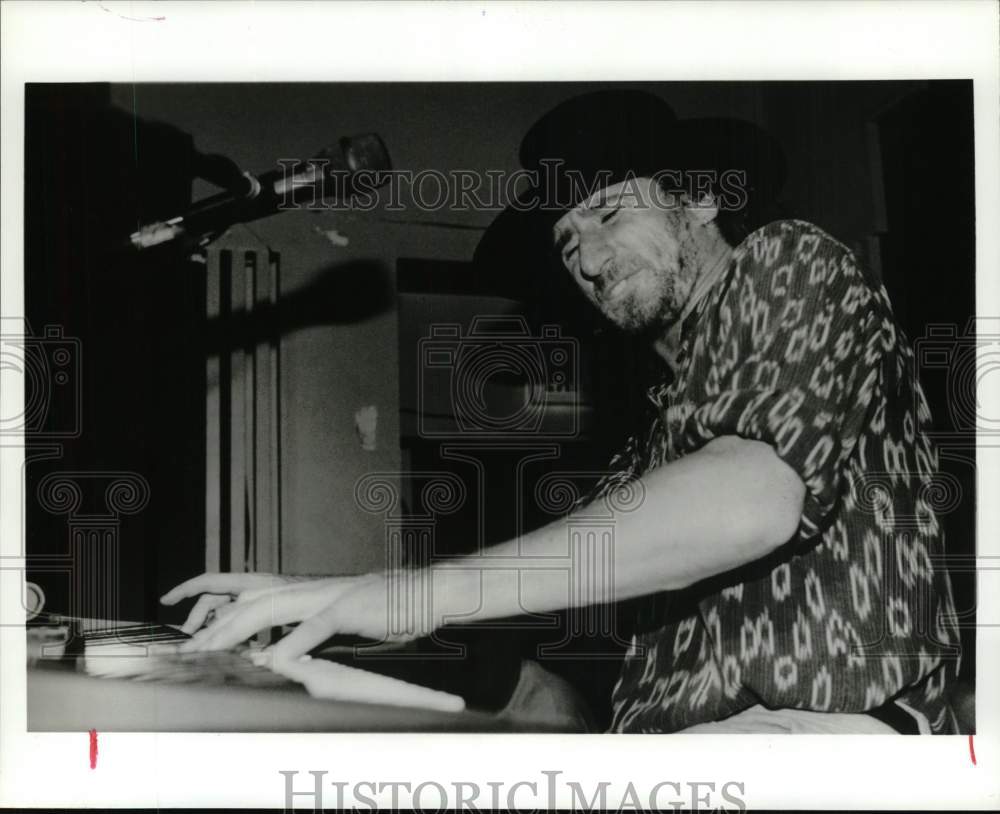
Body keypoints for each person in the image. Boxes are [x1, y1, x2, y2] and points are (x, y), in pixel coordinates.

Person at [162, 90, 962, 734]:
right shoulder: (654, 435)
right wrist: (326, 593)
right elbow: (575, 570)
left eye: (611, 212)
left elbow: (750, 498)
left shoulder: (792, 261)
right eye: (566, 237)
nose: (584, 255)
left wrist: (410, 595)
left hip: (826, 727)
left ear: (706, 200)